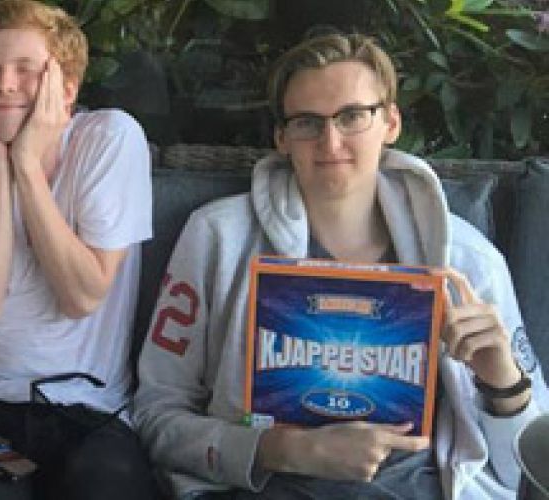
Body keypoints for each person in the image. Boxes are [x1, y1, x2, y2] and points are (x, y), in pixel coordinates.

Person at [134, 33, 547, 499]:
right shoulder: (216, 237)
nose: (330, 141)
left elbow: (527, 471)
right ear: (282, 137)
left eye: (352, 116)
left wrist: (502, 382)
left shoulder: (468, 260)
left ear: (390, 122)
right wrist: (278, 450)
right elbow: (155, 413)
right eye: (307, 122)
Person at [0, 1, 157, 497]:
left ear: (66, 89)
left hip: (92, 409)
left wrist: (25, 165)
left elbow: (81, 296)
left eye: (27, 69)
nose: (4, 84)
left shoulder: (111, 138)